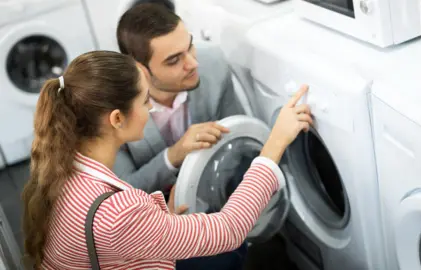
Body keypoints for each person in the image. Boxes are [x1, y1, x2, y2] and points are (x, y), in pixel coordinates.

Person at [21, 51, 312, 269]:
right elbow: (230, 229)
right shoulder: (118, 214)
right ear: (117, 119)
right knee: (227, 253)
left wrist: (159, 223)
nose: (150, 108)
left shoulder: (64, 167)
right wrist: (275, 143)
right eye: (145, 101)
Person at [113, 3, 246, 195]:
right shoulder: (109, 108)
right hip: (152, 213)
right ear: (140, 70)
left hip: (216, 189)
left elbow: (237, 141)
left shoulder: (214, 63)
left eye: (189, 46)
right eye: (174, 60)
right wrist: (173, 155)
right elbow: (123, 193)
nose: (193, 64)